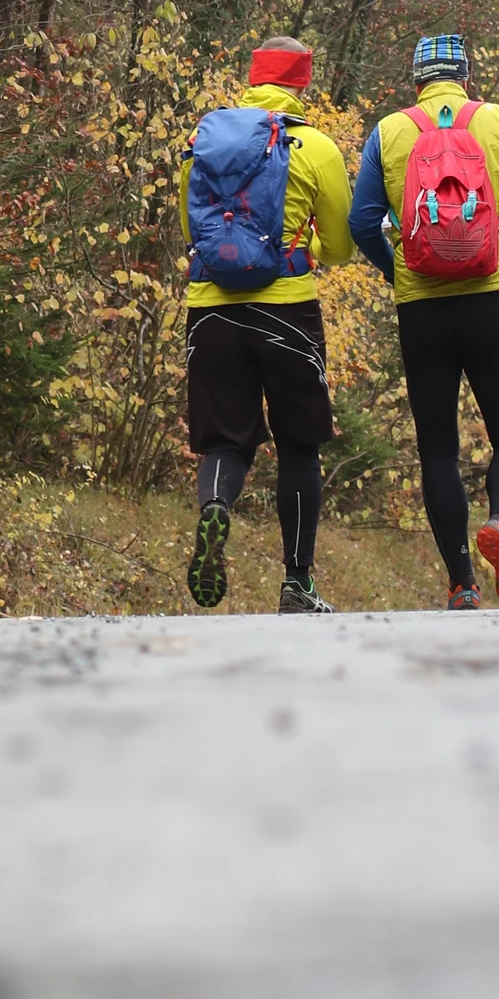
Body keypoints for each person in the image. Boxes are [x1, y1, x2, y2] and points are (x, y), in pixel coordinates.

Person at [348, 33, 499, 610]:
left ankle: (461, 585)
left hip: (421, 302)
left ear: (417, 81)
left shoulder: (389, 131)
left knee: (437, 450)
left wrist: (396, 269)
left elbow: (361, 221)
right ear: (466, 77)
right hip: (494, 293)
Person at [180, 36, 357, 616]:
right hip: (287, 311)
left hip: (210, 307)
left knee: (225, 440)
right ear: (303, 84)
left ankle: (214, 508)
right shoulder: (317, 148)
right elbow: (339, 246)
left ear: (251, 79)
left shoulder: (204, 143)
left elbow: (194, 227)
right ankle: (297, 584)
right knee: (299, 447)